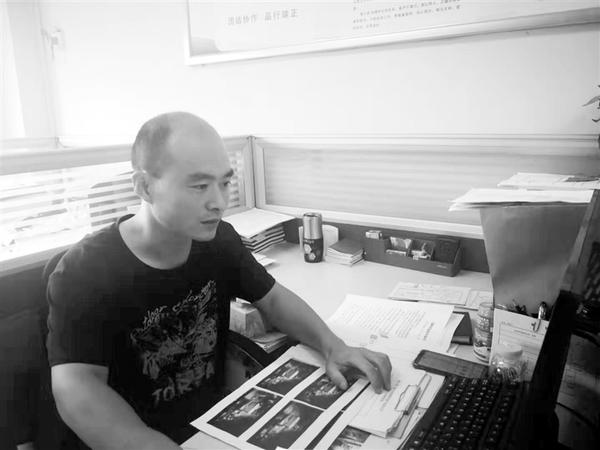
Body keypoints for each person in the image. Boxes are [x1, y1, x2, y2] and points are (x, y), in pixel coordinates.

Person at [47, 112, 392, 449]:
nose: (220, 202)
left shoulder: (219, 240)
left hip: (214, 423)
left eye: (224, 183)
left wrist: (333, 346)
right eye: (200, 186)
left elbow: (272, 299)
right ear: (145, 186)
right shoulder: (85, 270)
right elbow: (76, 388)